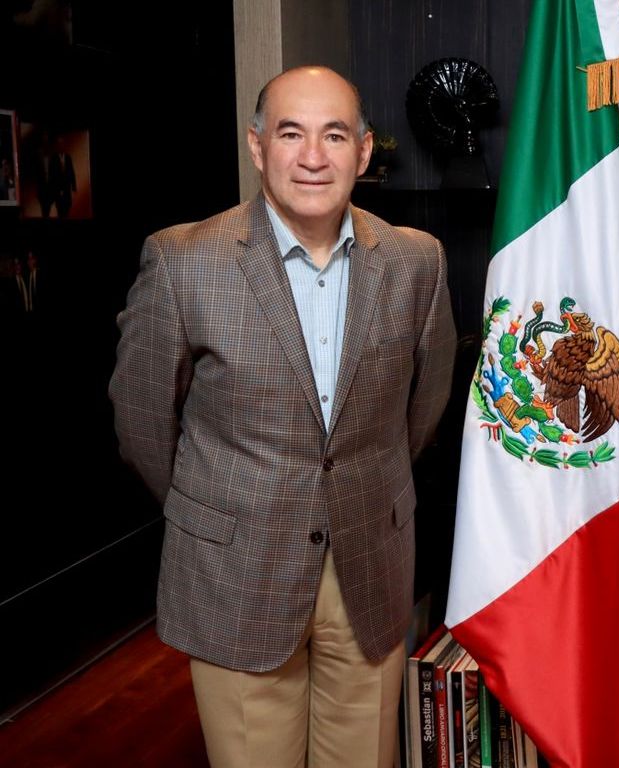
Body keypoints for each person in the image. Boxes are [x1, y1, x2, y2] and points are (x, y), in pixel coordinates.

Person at [109, 65, 456, 768]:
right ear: (257, 145)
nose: (313, 157)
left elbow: (424, 407)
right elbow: (143, 423)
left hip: (369, 563)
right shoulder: (182, 260)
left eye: (335, 135)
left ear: (363, 151)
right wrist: (220, 507)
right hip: (236, 571)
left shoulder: (417, 262)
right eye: (291, 133)